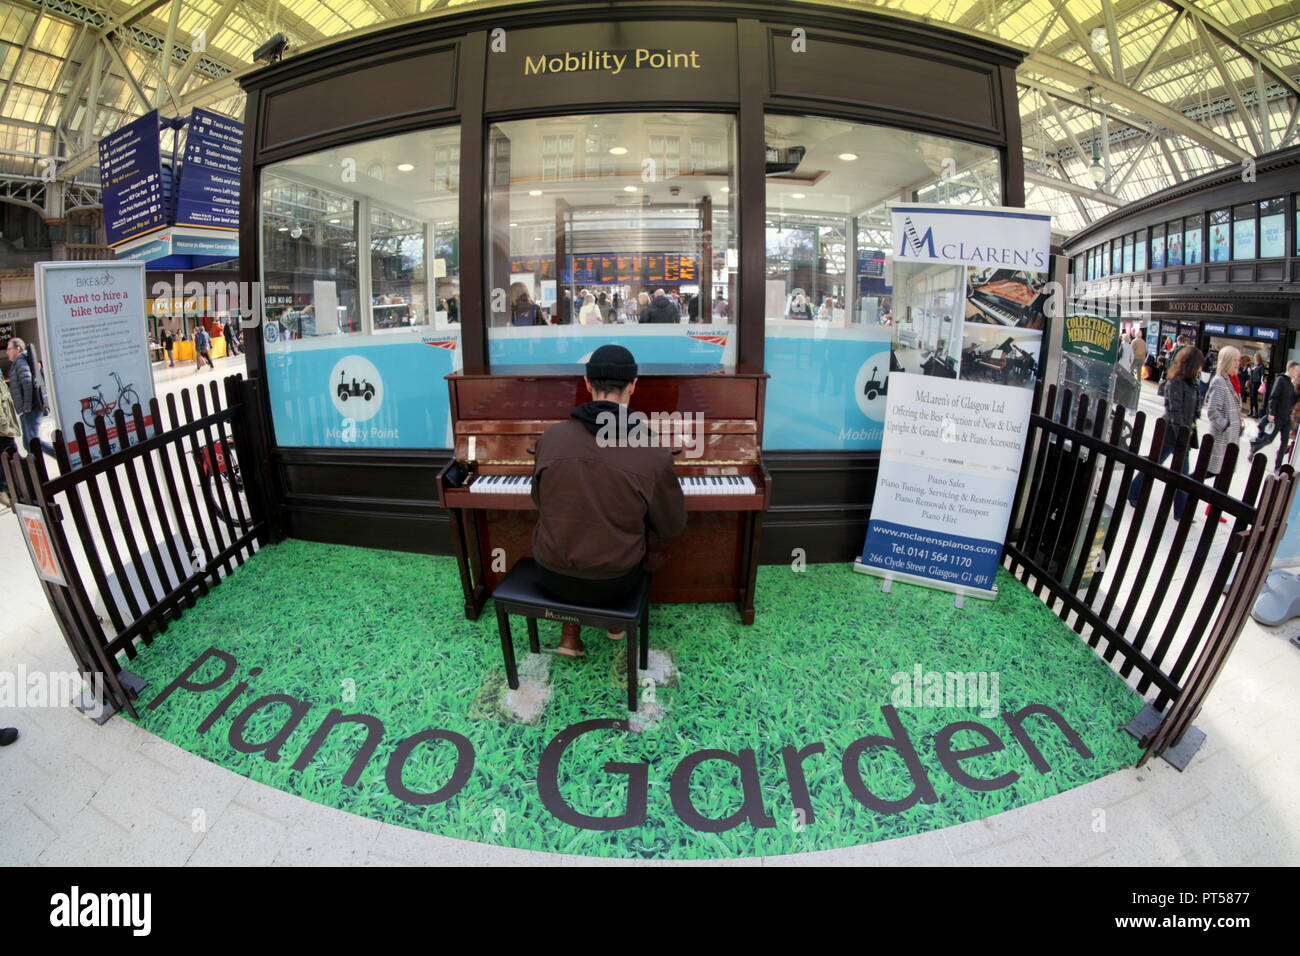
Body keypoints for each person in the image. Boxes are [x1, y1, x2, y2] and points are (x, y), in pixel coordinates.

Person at [531, 344, 686, 657]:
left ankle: (570, 632)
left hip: (549, 573)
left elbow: (539, 500)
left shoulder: (550, 438)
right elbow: (671, 527)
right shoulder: (651, 450)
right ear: (633, 385)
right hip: (614, 583)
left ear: (587, 384)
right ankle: (615, 623)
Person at [1128, 345, 1202, 520]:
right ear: (1191, 364)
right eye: (1198, 365)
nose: (1201, 369)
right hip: (1170, 434)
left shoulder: (1193, 384)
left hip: (1184, 435)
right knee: (1153, 466)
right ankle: (1134, 494)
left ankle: (1180, 512)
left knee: (1182, 476)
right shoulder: (1175, 382)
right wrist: (1181, 436)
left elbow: (1194, 410)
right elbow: (1174, 411)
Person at [5, 338, 53, 457]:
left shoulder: (20, 362)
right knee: (28, 443)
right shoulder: (18, 363)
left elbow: (27, 385)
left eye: (9, 349)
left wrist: (27, 407)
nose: (7, 352)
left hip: (30, 409)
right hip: (26, 409)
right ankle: (37, 464)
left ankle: (60, 455)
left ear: (18, 349)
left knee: (32, 442)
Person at [1250, 360, 1300, 470]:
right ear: (1290, 369)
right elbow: (1273, 397)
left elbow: (1291, 401)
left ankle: (1278, 467)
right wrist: (1271, 413)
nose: (1298, 373)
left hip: (1286, 419)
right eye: (1297, 371)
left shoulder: (1290, 384)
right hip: (1277, 417)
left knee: (1284, 443)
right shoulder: (1280, 380)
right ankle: (1253, 447)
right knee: (1268, 439)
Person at [1204, 345, 1243, 481]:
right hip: (1221, 439)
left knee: (1223, 478)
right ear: (1226, 361)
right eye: (1234, 360)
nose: (1238, 364)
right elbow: (1212, 411)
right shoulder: (1220, 381)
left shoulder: (1233, 382)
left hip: (1231, 440)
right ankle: (1182, 492)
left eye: (1238, 360)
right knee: (1207, 473)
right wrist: (1227, 426)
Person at [0, 370, 20, 509]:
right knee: (11, 458)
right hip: (3, 431)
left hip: (4, 429)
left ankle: (9, 491)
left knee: (5, 460)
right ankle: (8, 492)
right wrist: (4, 426)